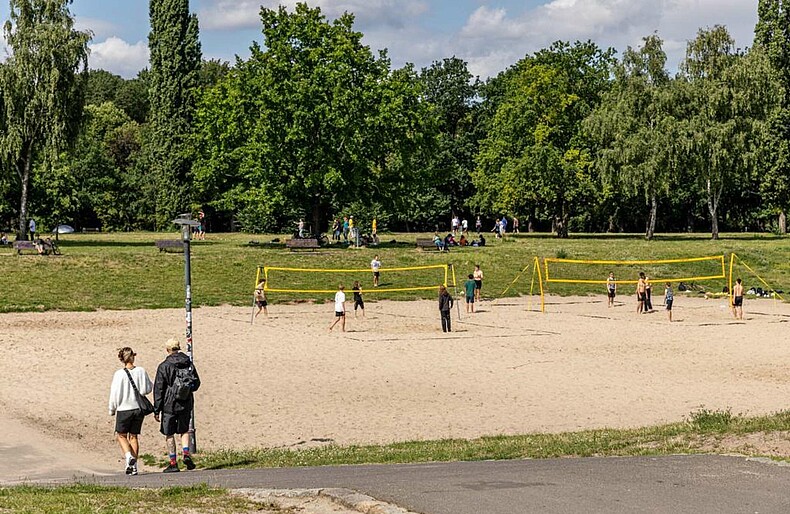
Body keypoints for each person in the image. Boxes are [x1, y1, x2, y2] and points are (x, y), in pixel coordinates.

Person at [153, 338, 200, 473]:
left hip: (169, 404)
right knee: (184, 430)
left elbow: (159, 388)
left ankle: (173, 462)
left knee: (169, 433)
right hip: (185, 402)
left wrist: (157, 409)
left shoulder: (164, 366)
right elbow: (196, 383)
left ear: (167, 349)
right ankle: (186, 454)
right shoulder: (188, 363)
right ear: (178, 348)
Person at [109, 347, 153, 476]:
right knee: (133, 436)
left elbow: (114, 393)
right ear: (133, 356)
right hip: (138, 408)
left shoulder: (119, 374)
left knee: (121, 435)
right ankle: (133, 467)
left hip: (124, 408)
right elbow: (147, 389)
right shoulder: (141, 371)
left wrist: (112, 408)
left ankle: (128, 457)